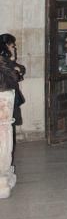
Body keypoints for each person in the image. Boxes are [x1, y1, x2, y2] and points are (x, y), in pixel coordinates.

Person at [0, 34, 26, 164]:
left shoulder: (7, 60)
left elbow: (21, 69)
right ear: (5, 46)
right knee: (6, 130)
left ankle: (7, 159)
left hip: (9, 98)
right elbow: (14, 76)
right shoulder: (2, 60)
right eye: (12, 45)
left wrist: (17, 70)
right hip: (4, 100)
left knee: (10, 128)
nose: (14, 47)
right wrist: (16, 71)